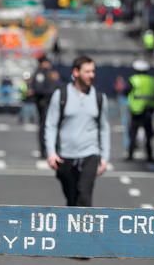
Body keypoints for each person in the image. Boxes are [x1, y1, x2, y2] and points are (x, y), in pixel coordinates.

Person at [44, 56, 110, 207]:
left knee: (84, 197)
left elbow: (104, 128)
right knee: (72, 199)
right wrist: (51, 153)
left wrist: (105, 157)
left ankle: (86, 230)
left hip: (90, 155)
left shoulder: (99, 98)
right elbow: (51, 125)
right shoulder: (61, 95)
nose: (91, 75)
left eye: (93, 71)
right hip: (65, 156)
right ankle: (72, 230)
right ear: (76, 72)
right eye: (87, 72)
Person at [126, 59, 154, 161]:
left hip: (136, 110)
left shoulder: (134, 79)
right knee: (148, 134)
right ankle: (150, 155)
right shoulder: (152, 80)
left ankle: (131, 154)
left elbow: (126, 91)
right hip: (149, 109)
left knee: (133, 133)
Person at [31, 57, 58, 157]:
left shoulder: (51, 73)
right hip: (44, 103)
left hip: (52, 103)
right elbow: (38, 89)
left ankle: (53, 149)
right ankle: (44, 150)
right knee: (45, 127)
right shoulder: (40, 74)